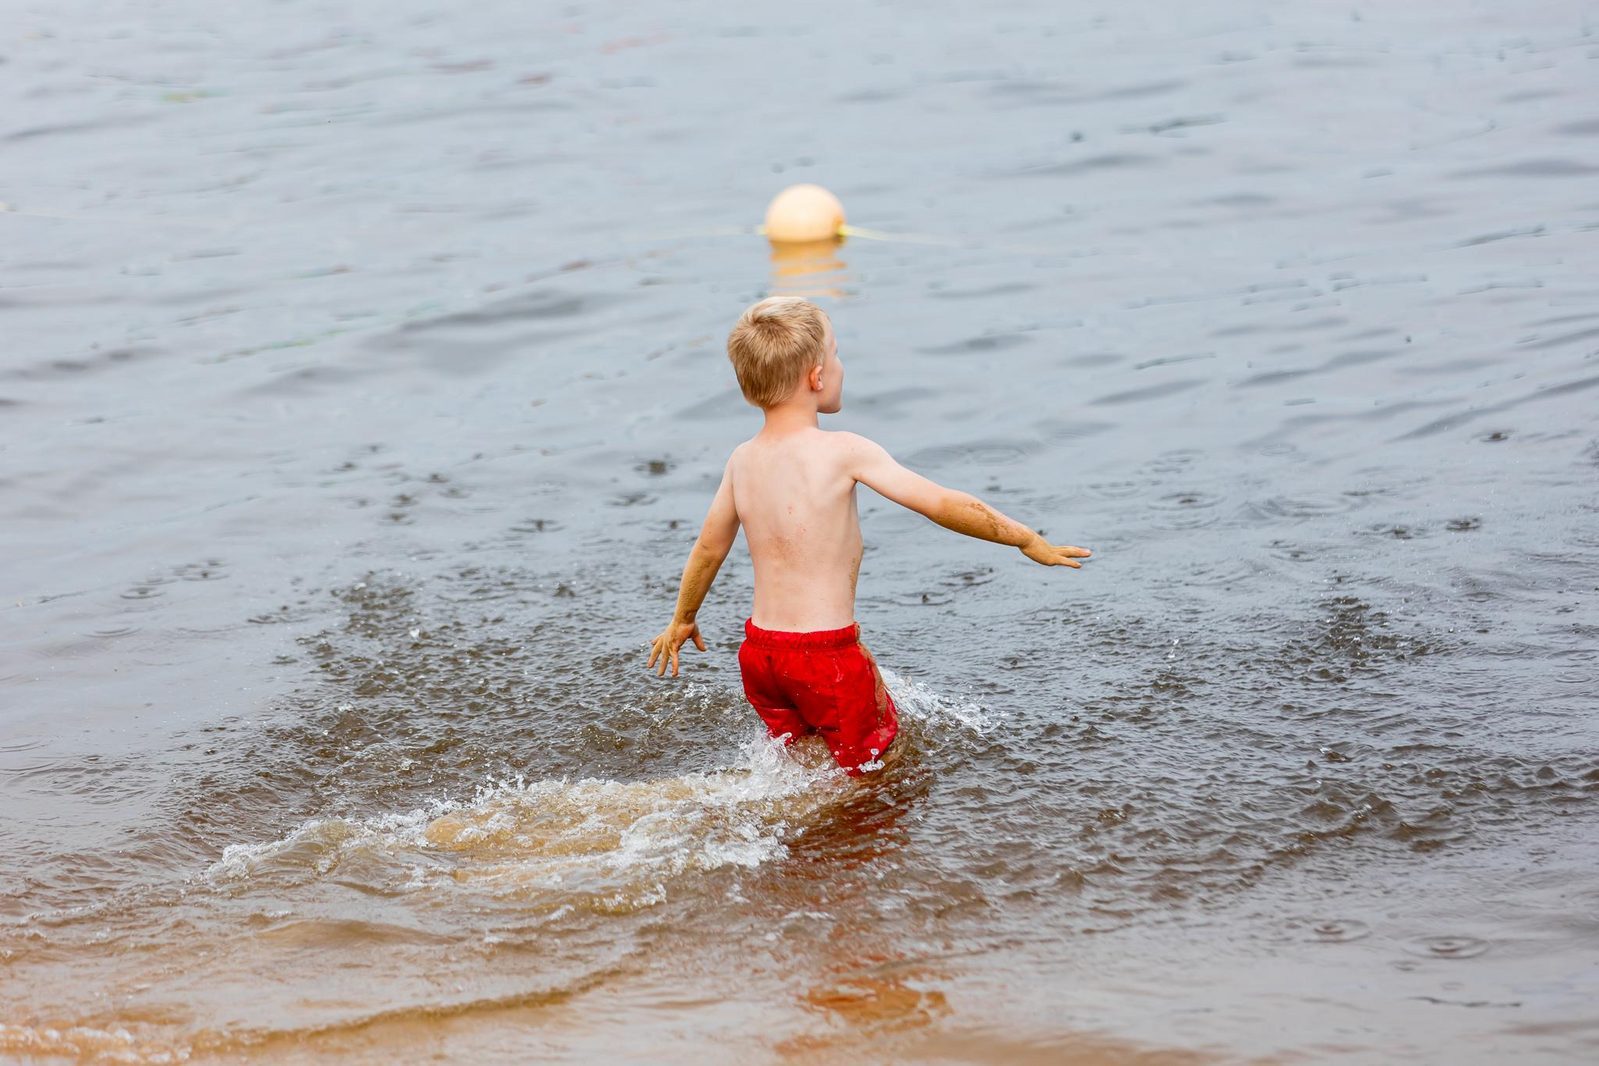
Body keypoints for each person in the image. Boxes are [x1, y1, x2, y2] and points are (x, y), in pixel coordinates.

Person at [647, 297, 1091, 775]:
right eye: (836, 355)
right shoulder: (844, 451)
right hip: (825, 655)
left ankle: (803, 844)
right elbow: (941, 503)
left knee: (800, 767)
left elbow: (710, 547)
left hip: (760, 656)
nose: (841, 366)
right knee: (878, 769)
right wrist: (1024, 538)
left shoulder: (741, 460)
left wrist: (683, 619)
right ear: (816, 377)